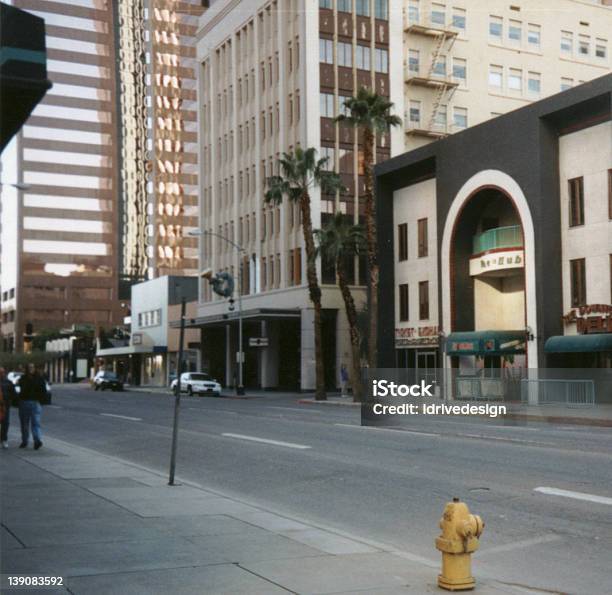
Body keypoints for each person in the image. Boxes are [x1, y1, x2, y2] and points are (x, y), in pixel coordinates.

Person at [17, 364, 48, 450]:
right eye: (29, 367)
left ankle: (37, 440)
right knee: (24, 424)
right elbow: (21, 389)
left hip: (35, 402)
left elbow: (43, 391)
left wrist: (40, 400)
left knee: (36, 423)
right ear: (27, 369)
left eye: (32, 367)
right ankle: (25, 440)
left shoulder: (39, 379)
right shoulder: (23, 379)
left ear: (35, 369)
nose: (31, 369)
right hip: (24, 402)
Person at [0, 367, 16, 449]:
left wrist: (11, 401)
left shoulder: (8, 383)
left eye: (2, 372)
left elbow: (13, 394)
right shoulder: (8, 382)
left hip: (5, 406)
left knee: (5, 423)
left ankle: (3, 439)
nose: (1, 374)